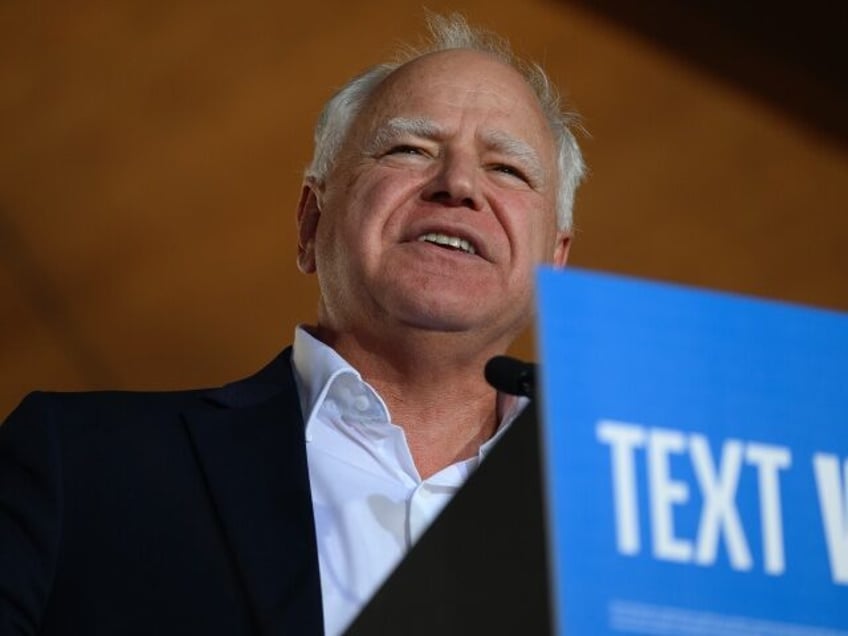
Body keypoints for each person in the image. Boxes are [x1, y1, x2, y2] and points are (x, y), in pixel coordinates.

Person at [0, 13, 584, 636]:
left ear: (556, 260)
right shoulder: (84, 462)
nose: (459, 184)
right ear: (310, 223)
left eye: (508, 169)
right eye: (409, 149)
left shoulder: (631, 519)